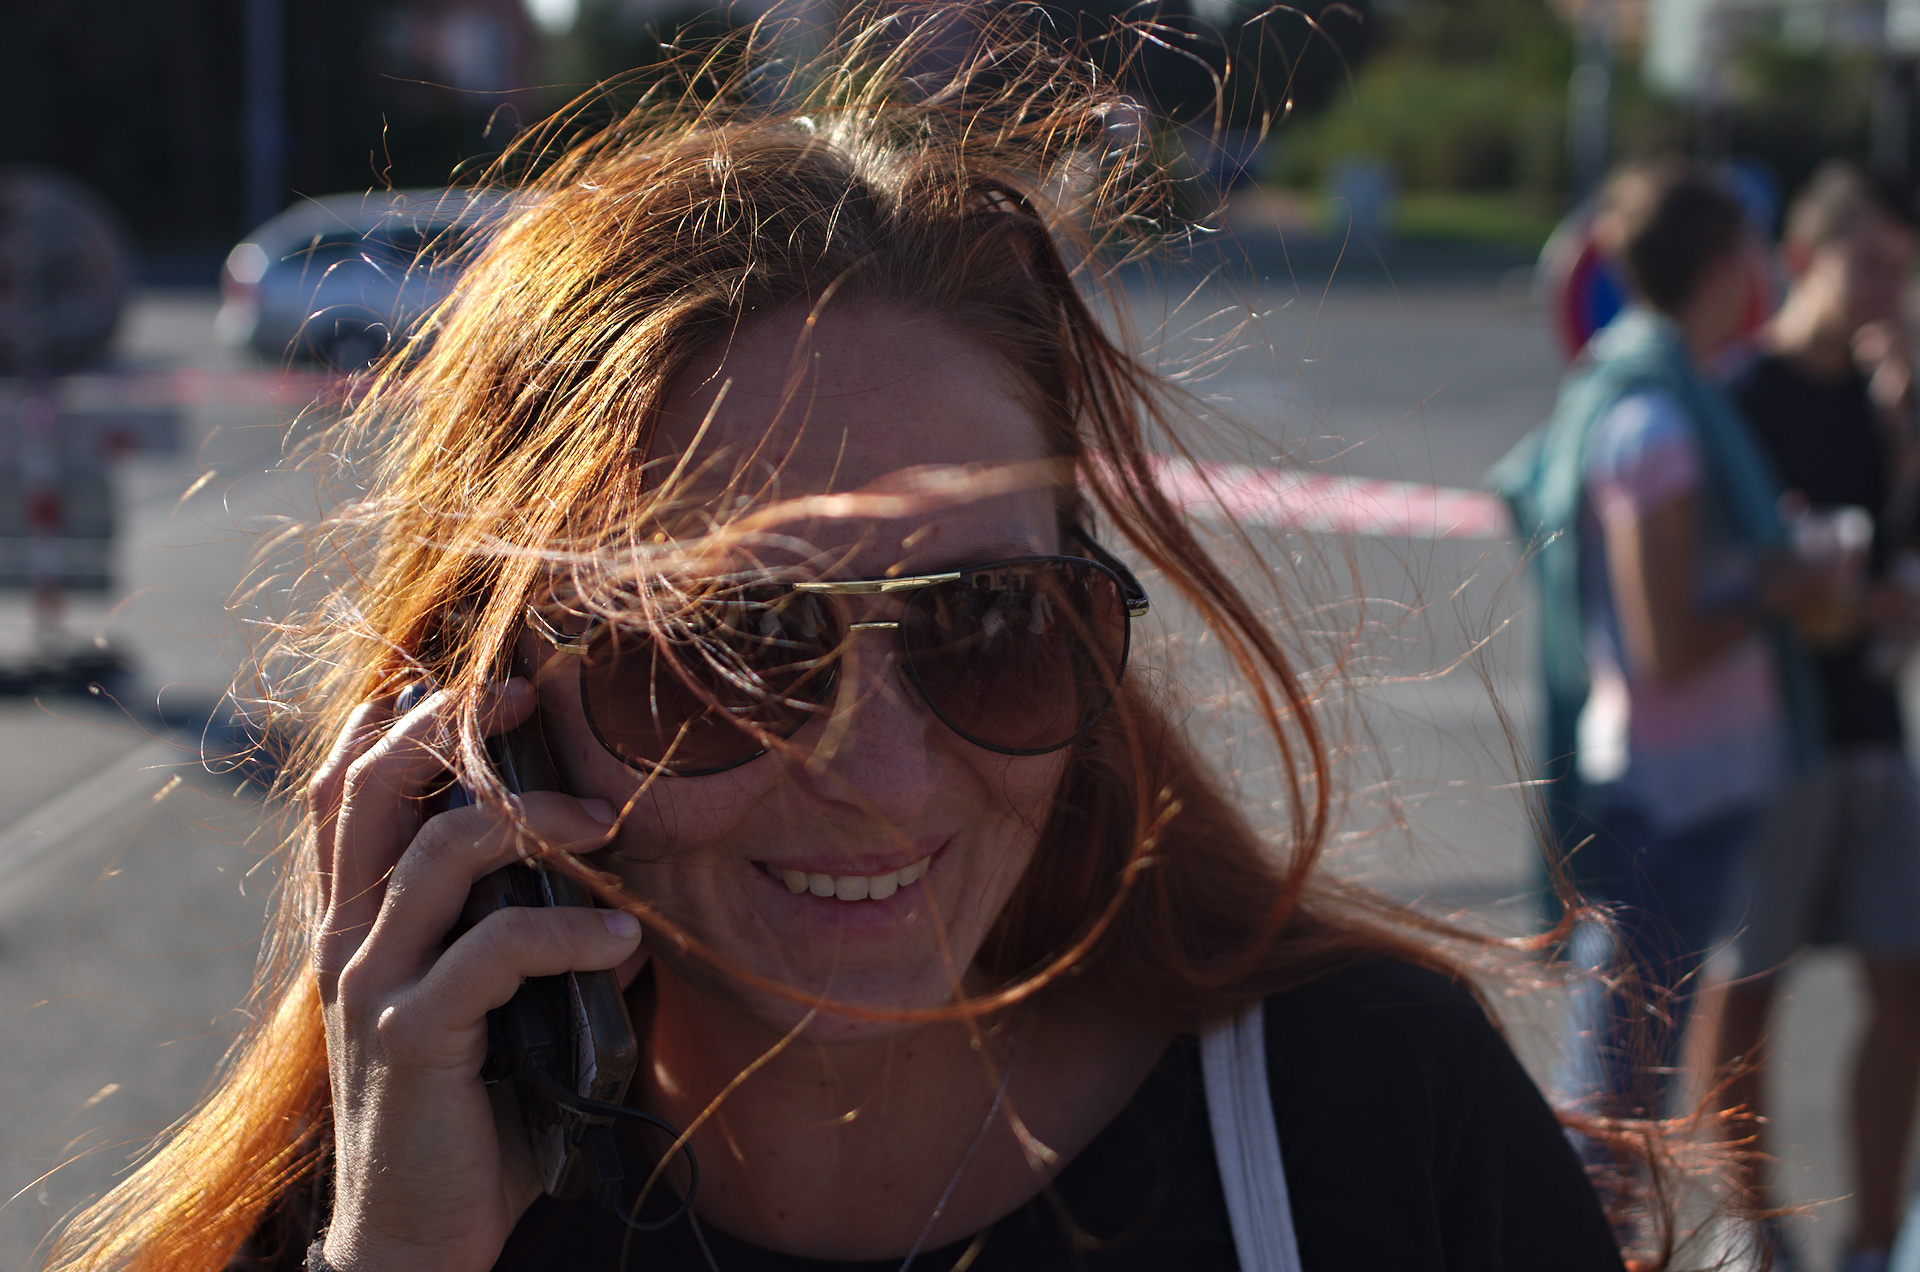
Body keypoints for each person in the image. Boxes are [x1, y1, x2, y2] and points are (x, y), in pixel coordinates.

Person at [48, 18, 1642, 1272]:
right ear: (486, 715)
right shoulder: (377, 1222)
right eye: (728, 653)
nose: (881, 774)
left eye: (989, 622)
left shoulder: (1364, 1123)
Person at [1490, 158, 1828, 1130]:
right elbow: (1666, 644)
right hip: (1666, 792)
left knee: (1623, 1082)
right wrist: (1777, 589)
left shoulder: (1649, 395)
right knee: (1618, 1104)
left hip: (1665, 787)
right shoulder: (1659, 424)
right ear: (1724, 267)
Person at [1711, 161, 1920, 1272]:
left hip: (1874, 731)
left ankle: (1873, 1245)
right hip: (1770, 740)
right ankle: (1752, 1237)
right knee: (1748, 988)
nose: (1890, 290)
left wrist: (1903, 423)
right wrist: (1820, 594)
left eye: (1905, 271)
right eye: (1870, 265)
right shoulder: (1742, 397)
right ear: (1804, 258)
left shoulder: (1888, 396)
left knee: (1907, 982)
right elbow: (1711, 575)